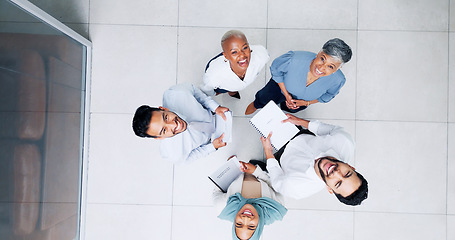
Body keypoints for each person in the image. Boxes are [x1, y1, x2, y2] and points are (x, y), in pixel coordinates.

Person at [252, 114, 368, 206]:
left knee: (266, 169)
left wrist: (268, 152)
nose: (336, 172)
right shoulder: (345, 142)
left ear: (329, 189)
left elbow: (278, 183)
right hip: (299, 134)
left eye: (338, 183)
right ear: (351, 167)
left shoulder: (298, 188)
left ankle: (264, 167)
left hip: (280, 158)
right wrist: (300, 121)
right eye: (347, 173)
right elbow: (330, 130)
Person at [245, 38, 352, 115]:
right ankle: (256, 105)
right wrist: (286, 95)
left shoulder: (338, 81)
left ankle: (284, 107)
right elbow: (276, 70)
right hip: (278, 88)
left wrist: (307, 102)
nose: (321, 67)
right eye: (322, 59)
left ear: (338, 69)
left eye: (330, 66)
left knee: (290, 109)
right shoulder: (293, 59)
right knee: (263, 100)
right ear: (319, 53)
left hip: (301, 102)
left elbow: (329, 95)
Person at [132, 83, 230, 164]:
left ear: (163, 109)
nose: (174, 125)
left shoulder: (177, 93)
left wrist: (215, 107)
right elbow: (191, 156)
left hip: (210, 113)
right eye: (164, 130)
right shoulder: (172, 154)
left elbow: (195, 92)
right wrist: (212, 147)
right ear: (159, 138)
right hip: (209, 140)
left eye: (166, 117)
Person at [214, 157, 287, 240]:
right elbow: (276, 186)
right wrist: (256, 171)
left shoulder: (223, 207)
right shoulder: (276, 209)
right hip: (264, 172)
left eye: (239, 224)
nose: (246, 218)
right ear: (258, 227)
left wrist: (231, 169)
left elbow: (217, 188)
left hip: (239, 171)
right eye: (251, 226)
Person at [200, 30, 270, 99]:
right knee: (229, 88)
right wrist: (215, 93)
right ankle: (231, 91)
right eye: (234, 52)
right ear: (226, 56)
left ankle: (233, 91)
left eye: (245, 48)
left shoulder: (261, 56)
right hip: (219, 75)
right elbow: (207, 89)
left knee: (234, 87)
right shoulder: (214, 76)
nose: (242, 55)